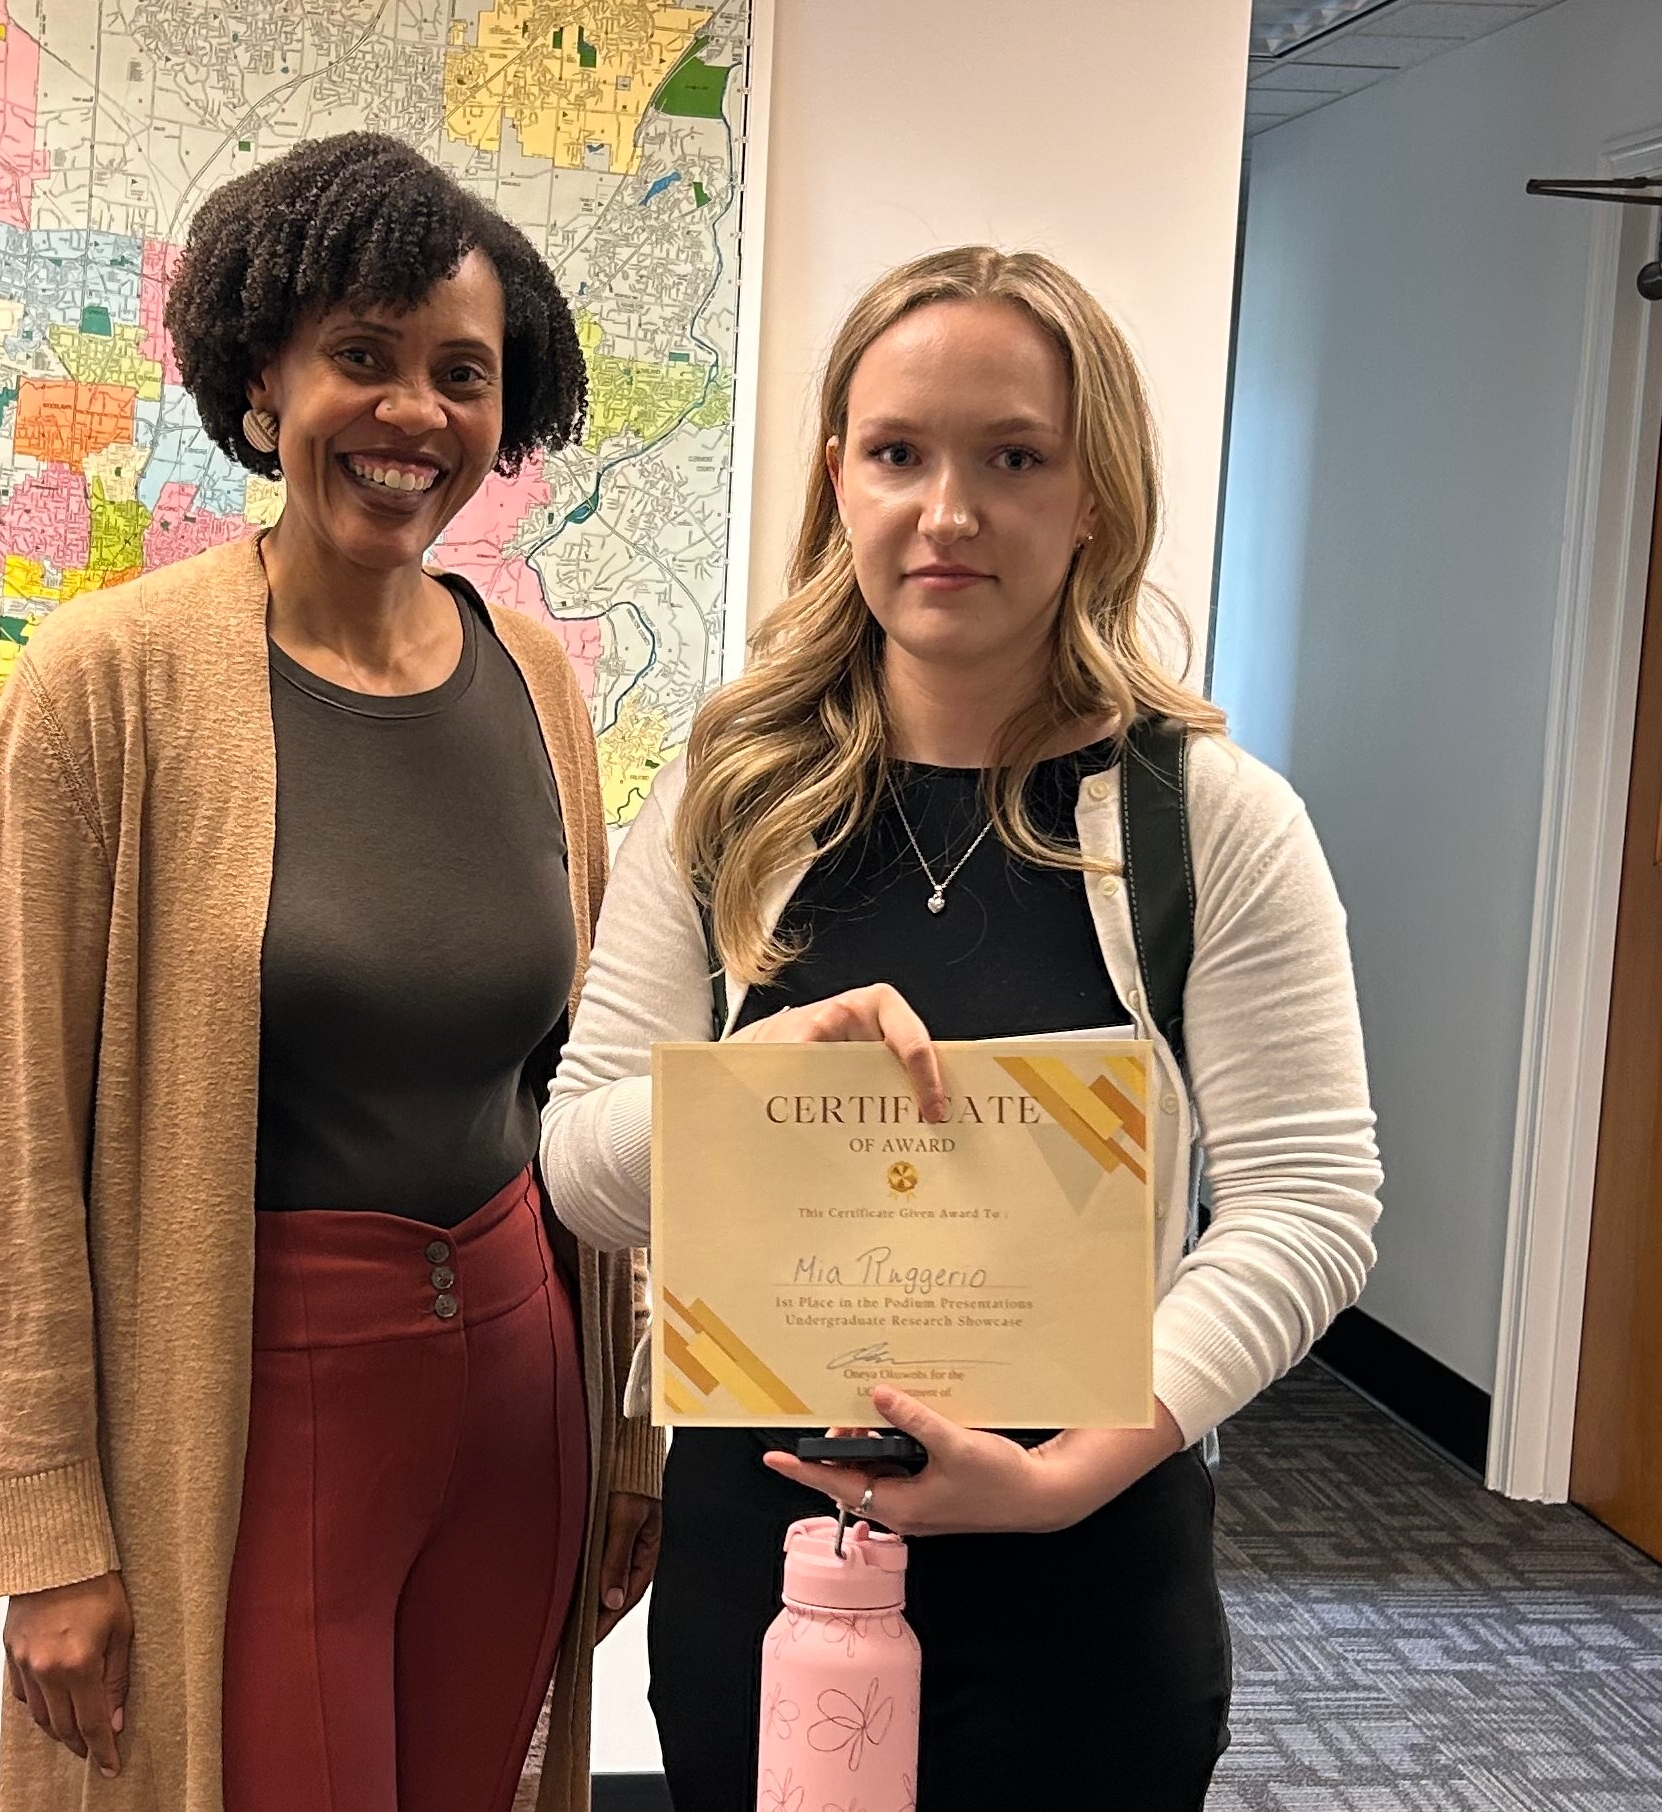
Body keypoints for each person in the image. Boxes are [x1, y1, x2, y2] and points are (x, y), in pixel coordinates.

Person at [538, 246, 1383, 1808]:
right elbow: (580, 1167)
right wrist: (728, 1099)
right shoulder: (726, 801)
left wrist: (1069, 1470)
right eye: (898, 454)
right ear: (839, 483)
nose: (950, 511)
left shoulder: (1214, 824)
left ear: (1095, 498)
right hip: (775, 1564)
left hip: (1085, 1559)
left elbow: (1310, 1203)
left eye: (1014, 457)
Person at [0, 132, 661, 1812]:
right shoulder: (102, 688)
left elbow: (588, 1084)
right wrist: (47, 1531)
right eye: (362, 356)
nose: (412, 412)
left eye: (459, 374)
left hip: (517, 1384)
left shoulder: (537, 681)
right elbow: (15, 1145)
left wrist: (629, 1436)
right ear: (263, 378)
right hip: (263, 1404)